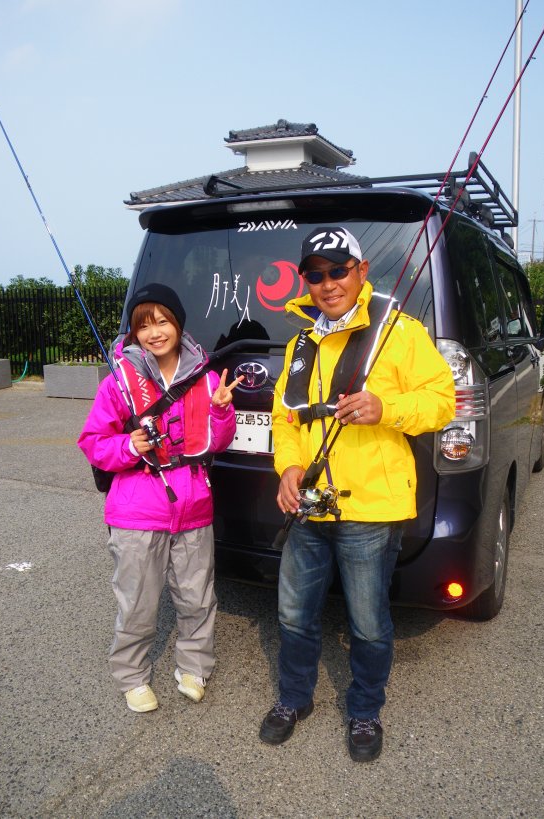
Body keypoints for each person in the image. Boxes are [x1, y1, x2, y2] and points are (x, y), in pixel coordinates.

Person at [259, 227, 455, 761]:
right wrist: (288, 467)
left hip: (372, 509)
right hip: (309, 506)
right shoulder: (301, 343)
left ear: (361, 271)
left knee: (368, 623)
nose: (328, 283)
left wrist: (386, 409)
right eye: (315, 274)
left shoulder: (400, 332)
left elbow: (443, 400)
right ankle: (294, 698)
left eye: (338, 270)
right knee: (293, 613)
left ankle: (365, 708)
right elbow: (286, 418)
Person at [78, 283, 240, 713]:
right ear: (134, 333)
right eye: (143, 325)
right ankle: (132, 676)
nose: (155, 333)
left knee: (197, 598)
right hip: (136, 510)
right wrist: (128, 445)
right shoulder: (118, 382)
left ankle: (194, 667)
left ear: (178, 325)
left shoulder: (206, 377)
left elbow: (217, 442)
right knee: (137, 602)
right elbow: (93, 442)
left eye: (163, 321)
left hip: (194, 506)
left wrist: (222, 410)